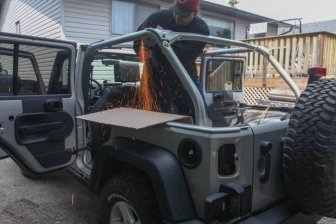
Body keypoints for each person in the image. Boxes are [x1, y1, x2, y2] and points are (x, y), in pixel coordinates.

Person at [133, 0, 210, 117]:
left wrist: (157, 44)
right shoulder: (158, 17)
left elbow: (181, 56)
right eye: (176, 12)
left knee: (198, 112)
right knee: (152, 115)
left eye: (183, 15)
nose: (178, 17)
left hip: (184, 80)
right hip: (154, 76)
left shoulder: (200, 29)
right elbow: (137, 38)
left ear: (194, 13)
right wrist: (141, 49)